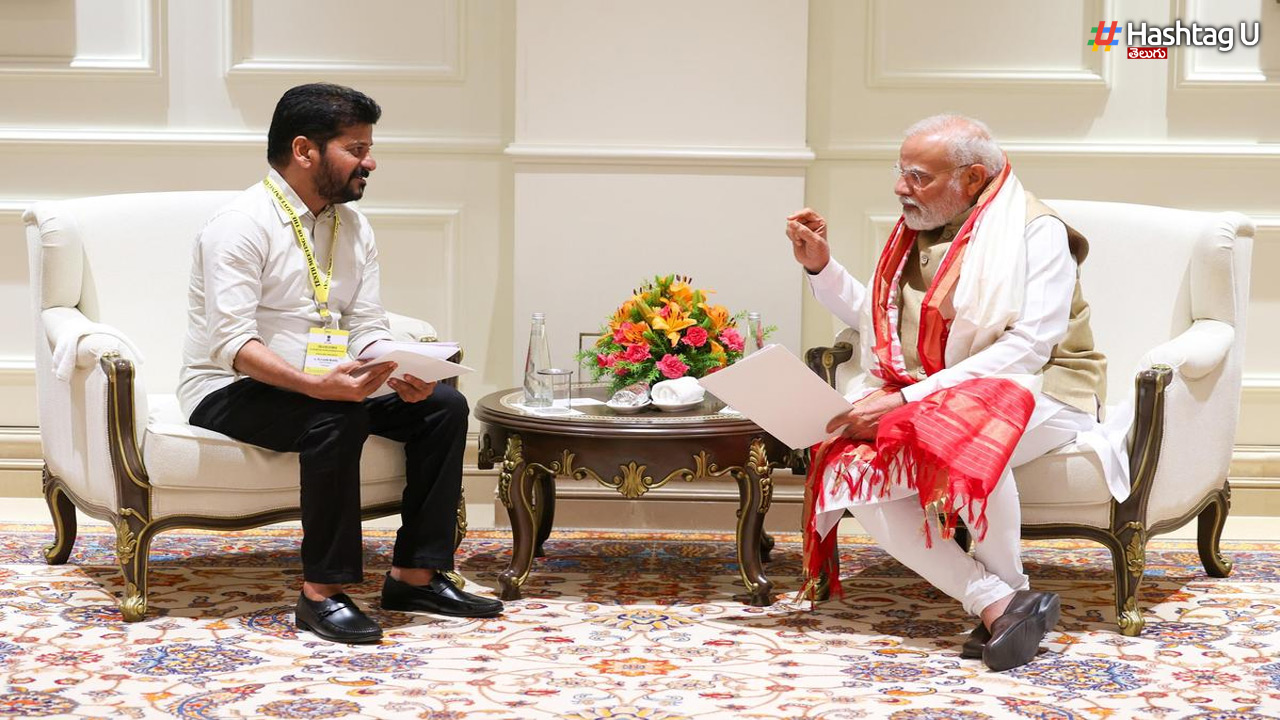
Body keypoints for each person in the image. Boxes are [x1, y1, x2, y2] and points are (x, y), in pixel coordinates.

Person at [785, 114, 1128, 671]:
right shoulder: (914, 232)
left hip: (1049, 388)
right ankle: (1001, 603)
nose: (900, 187)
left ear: (971, 178)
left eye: (917, 176)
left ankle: (1006, 599)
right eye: (900, 172)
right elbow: (877, 320)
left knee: (961, 436)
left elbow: (1029, 347)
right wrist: (821, 267)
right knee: (852, 466)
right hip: (947, 393)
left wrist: (908, 401)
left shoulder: (1037, 231)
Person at [178, 83, 502, 644]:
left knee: (443, 407)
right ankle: (320, 593)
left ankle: (416, 576)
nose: (369, 162)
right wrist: (314, 386)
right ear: (305, 150)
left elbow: (367, 326)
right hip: (229, 388)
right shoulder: (240, 225)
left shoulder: (352, 226)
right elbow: (230, 344)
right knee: (335, 416)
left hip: (325, 382)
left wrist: (398, 368)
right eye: (356, 149)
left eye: (368, 148)